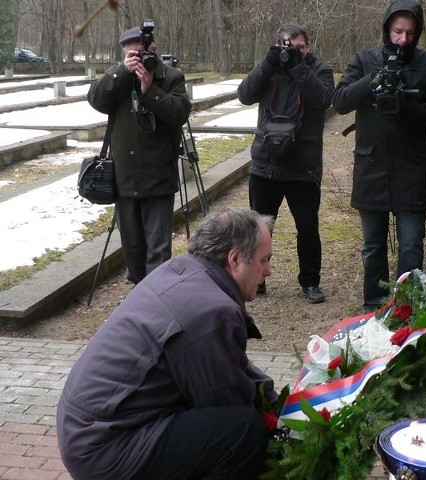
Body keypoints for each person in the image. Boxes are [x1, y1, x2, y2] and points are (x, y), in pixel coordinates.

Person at [57, 207, 277, 480]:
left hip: (86, 428)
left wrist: (271, 395)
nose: (268, 271)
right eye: (264, 260)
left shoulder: (183, 271)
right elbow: (225, 400)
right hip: (105, 445)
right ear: (234, 260)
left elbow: (226, 363)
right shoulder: (213, 311)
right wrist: (276, 424)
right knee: (244, 432)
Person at [332, 0, 426, 312]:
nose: (403, 40)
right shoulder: (364, 59)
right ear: (387, 29)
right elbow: (340, 100)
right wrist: (372, 82)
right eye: (398, 31)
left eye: (410, 33)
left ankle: (406, 306)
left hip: (412, 167)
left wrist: (405, 106)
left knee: (411, 244)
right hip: (371, 166)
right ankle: (374, 304)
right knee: (372, 246)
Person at [87, 25, 192, 285]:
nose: (139, 59)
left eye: (143, 52)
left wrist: (150, 90)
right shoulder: (118, 79)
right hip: (124, 178)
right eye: (132, 54)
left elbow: (180, 113)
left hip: (158, 177)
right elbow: (96, 100)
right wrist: (123, 71)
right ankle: (138, 293)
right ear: (123, 53)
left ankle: (157, 296)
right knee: (132, 246)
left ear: (153, 49)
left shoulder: (170, 77)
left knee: (158, 248)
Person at [237, 24, 334, 304]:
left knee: (307, 227)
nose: (293, 52)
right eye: (287, 47)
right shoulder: (271, 67)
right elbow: (245, 94)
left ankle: (310, 282)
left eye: (299, 48)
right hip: (266, 163)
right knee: (258, 229)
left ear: (308, 46)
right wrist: (270, 62)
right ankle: (255, 280)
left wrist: (298, 65)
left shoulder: (319, 70)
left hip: (303, 166)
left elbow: (325, 99)